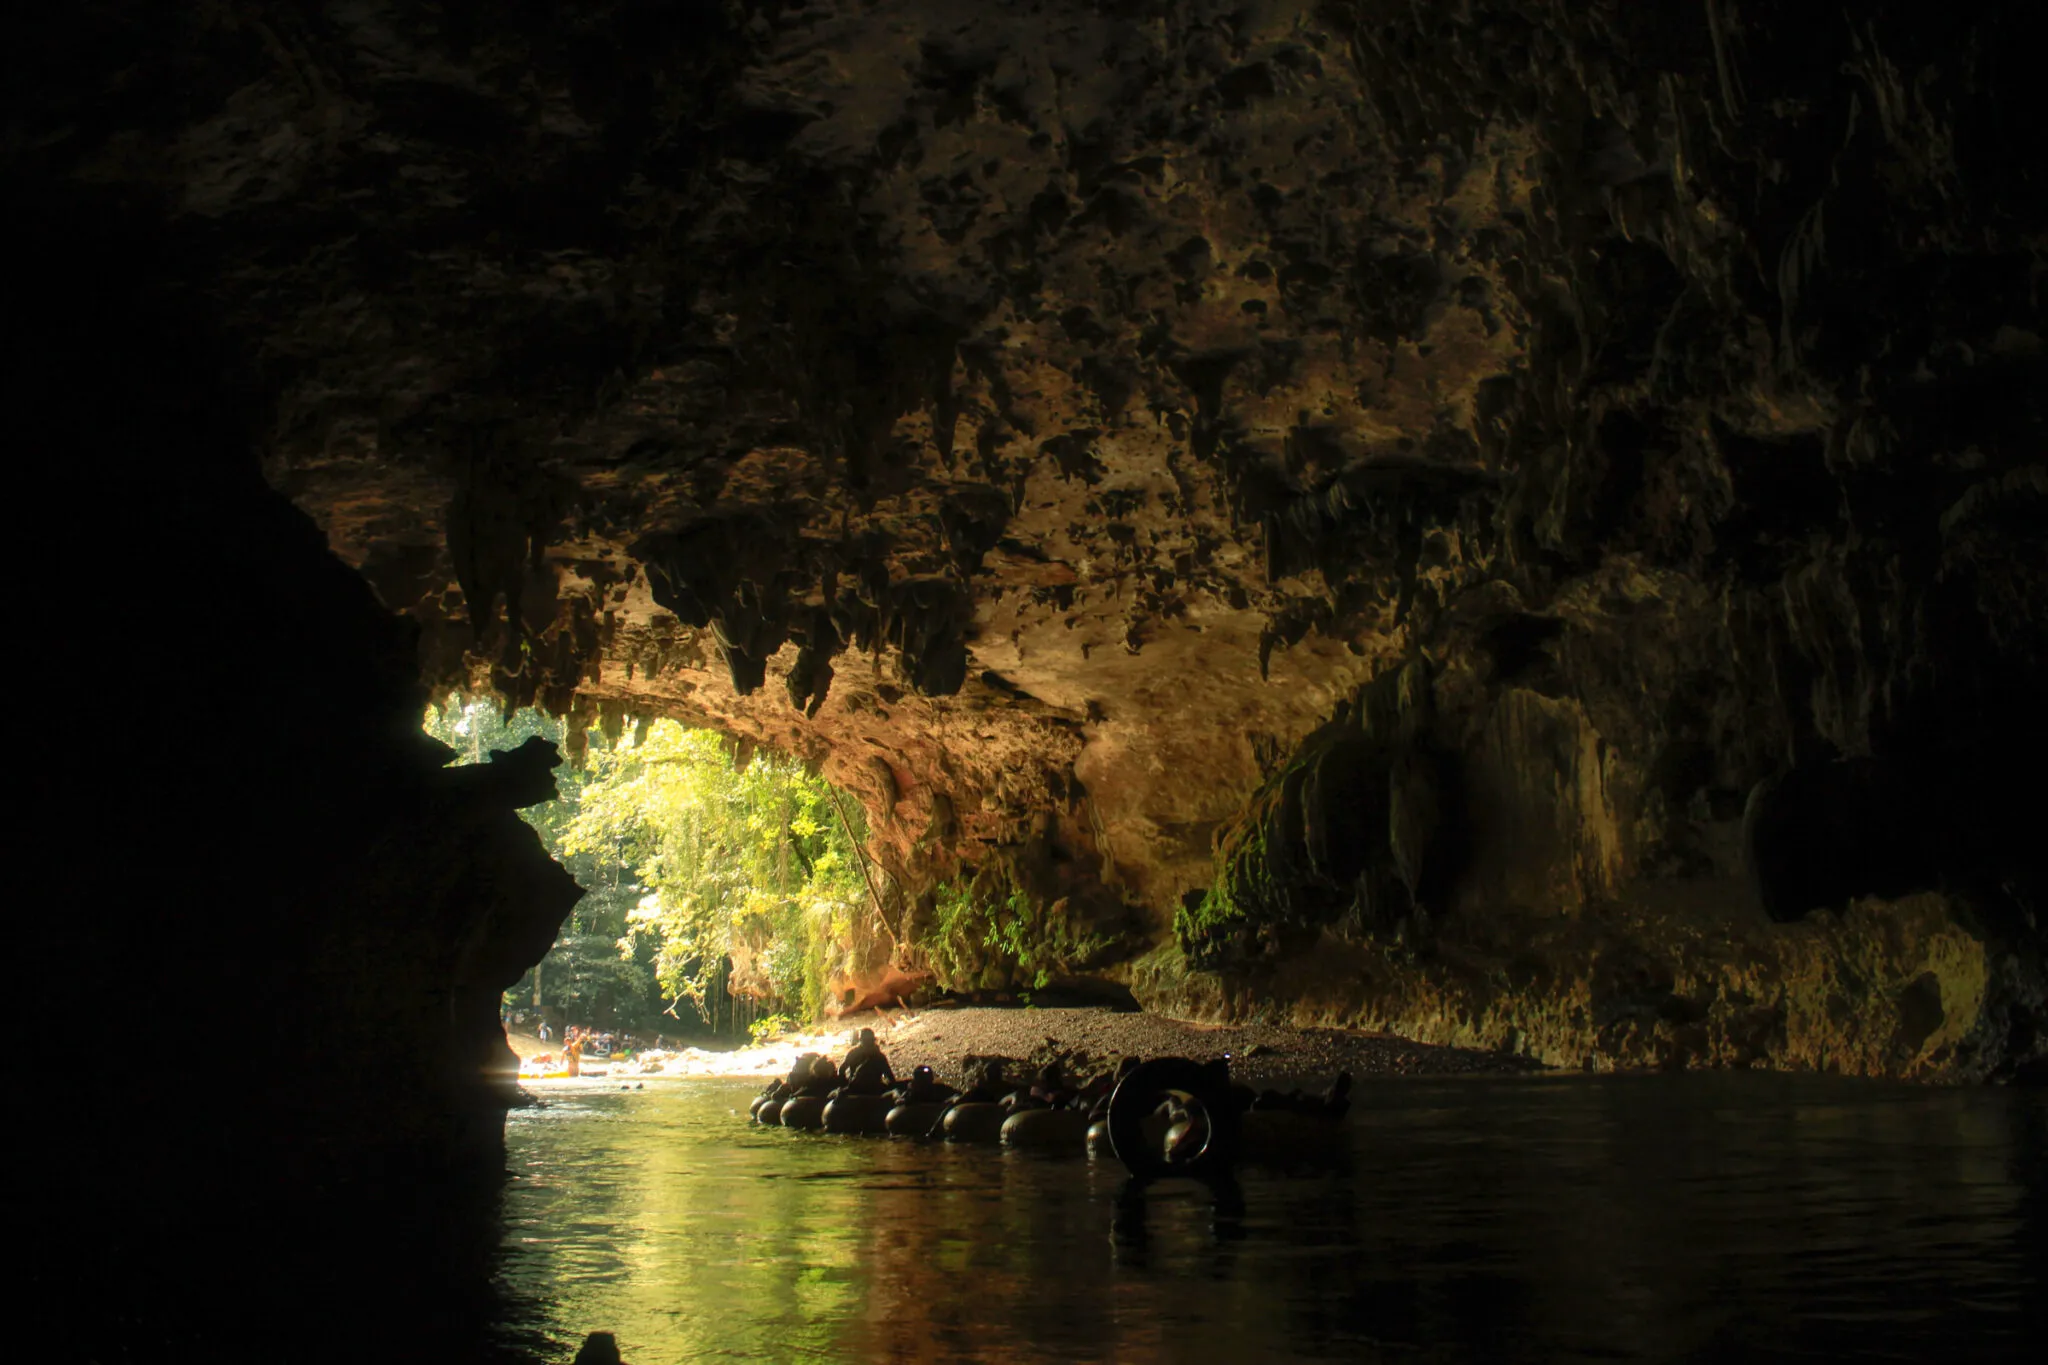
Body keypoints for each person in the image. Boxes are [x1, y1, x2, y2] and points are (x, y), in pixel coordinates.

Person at [839, 1027, 897, 1093]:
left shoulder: (878, 1056)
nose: (868, 1043)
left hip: (860, 1089)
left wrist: (845, 1085)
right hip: (867, 1089)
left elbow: (841, 1070)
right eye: (866, 1041)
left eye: (869, 1041)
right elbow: (890, 1078)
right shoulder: (878, 1056)